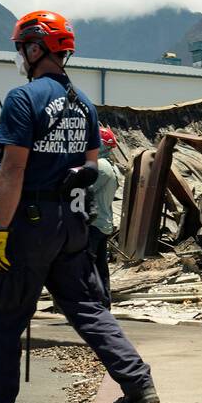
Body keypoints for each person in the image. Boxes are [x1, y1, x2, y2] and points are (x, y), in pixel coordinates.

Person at [0, 10, 159, 403]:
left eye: (21, 48)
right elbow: (90, 166)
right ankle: (138, 384)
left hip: (27, 225)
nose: (20, 57)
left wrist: (0, 229)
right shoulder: (83, 104)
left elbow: (11, 172)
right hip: (72, 225)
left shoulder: (23, 99)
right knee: (87, 307)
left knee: (3, 318)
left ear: (33, 48)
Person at [87, 126, 122, 303]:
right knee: (100, 267)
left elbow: (84, 189)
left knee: (87, 266)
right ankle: (103, 302)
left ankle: (91, 304)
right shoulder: (111, 166)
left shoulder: (100, 167)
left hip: (93, 223)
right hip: (103, 223)